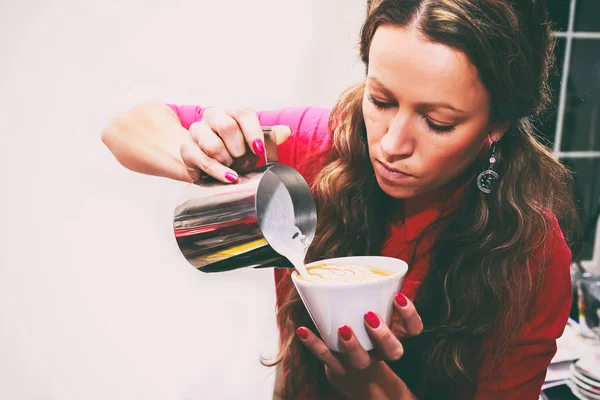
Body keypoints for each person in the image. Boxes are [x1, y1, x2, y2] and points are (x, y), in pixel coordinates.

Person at [101, 0, 578, 398]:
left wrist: (373, 385)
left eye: (438, 122)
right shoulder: (321, 145)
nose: (391, 145)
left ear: (496, 124)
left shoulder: (531, 252)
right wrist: (201, 156)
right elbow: (125, 129)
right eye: (381, 100)